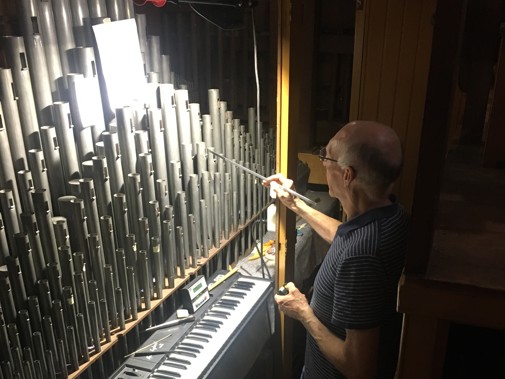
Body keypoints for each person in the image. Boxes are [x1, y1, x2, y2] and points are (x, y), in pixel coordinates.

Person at [263, 121, 409, 379]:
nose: (322, 162)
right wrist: (296, 205)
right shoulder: (390, 215)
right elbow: (346, 235)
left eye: (326, 156)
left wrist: (303, 312)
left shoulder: (362, 257)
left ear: (347, 175)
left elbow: (358, 367)